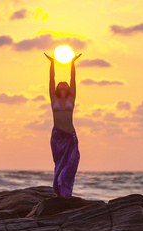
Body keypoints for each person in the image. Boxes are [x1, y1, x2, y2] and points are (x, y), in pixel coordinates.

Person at [44, 52, 82, 197]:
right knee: (59, 165)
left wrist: (72, 63)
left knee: (69, 165)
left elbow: (73, 78)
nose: (63, 84)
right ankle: (59, 192)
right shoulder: (53, 98)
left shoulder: (72, 98)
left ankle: (65, 192)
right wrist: (52, 63)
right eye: (61, 83)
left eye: (65, 84)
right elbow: (51, 79)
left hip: (70, 136)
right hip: (57, 136)